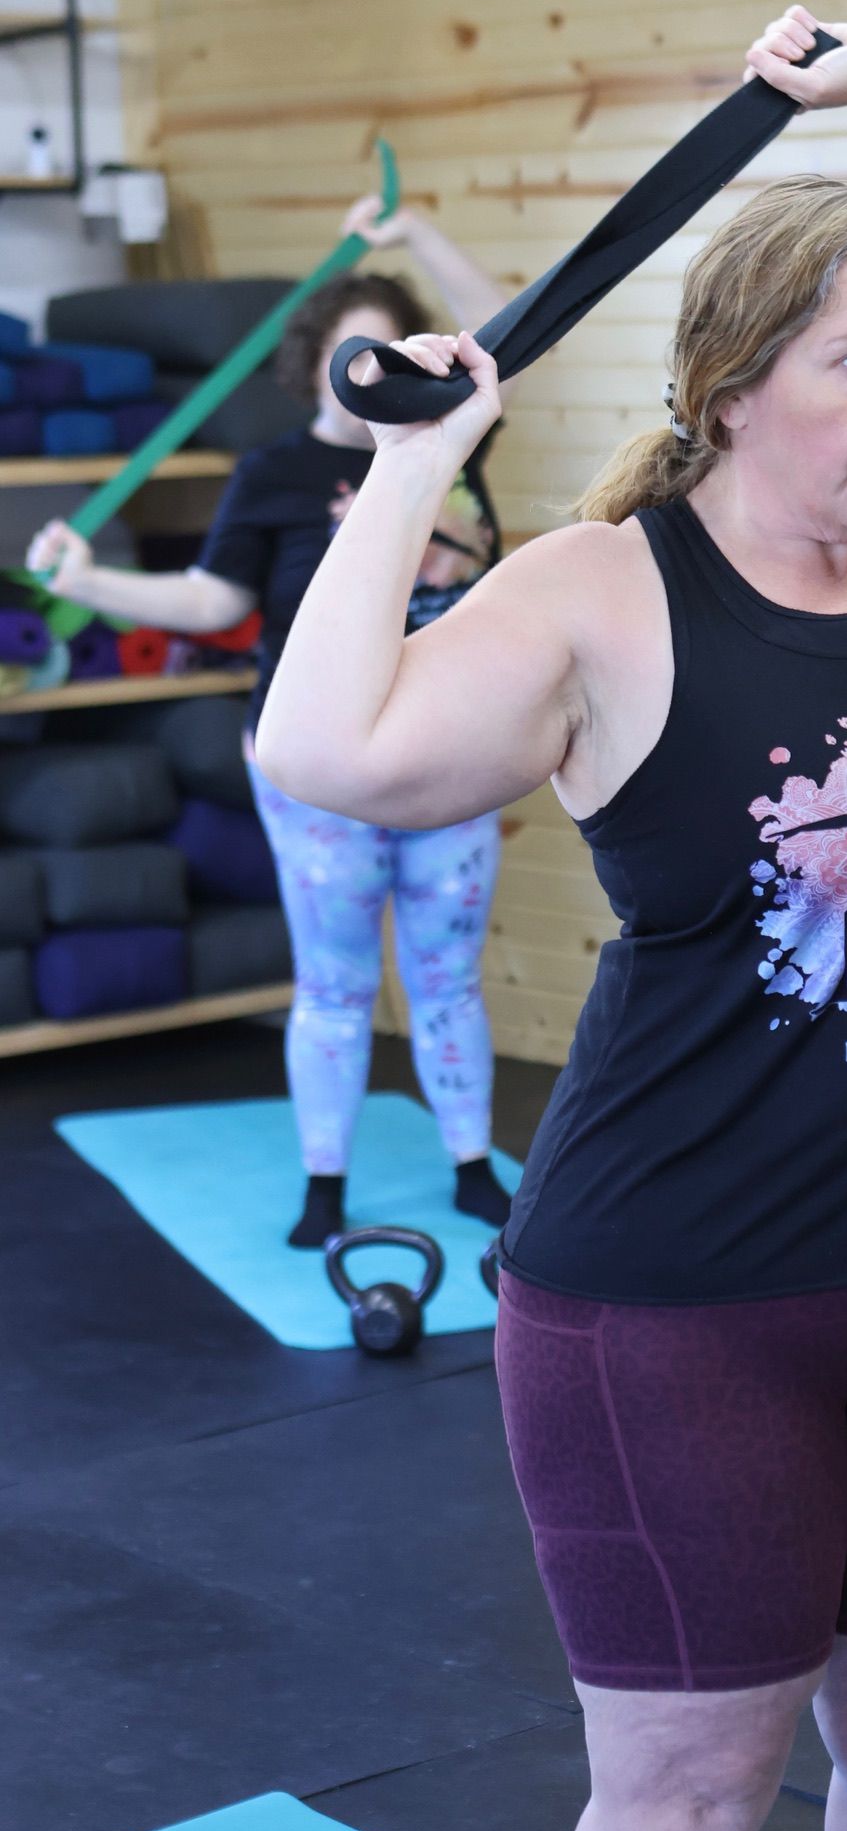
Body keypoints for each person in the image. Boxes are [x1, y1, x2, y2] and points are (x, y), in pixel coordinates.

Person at [255, 5, 847, 1831]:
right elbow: (328, 744)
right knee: (688, 1795)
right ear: (735, 386)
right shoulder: (600, 593)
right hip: (683, 1311)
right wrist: (410, 466)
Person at [27, 199, 517, 1248]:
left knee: (447, 977)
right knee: (334, 982)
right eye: (352, 358)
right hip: (318, 771)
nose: (373, 374)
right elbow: (213, 602)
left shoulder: (448, 449)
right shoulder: (274, 473)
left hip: (447, 750)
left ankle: (474, 1164)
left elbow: (509, 323)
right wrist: (92, 577)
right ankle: (325, 1184)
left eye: (390, 353)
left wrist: (419, 229)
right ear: (314, 370)